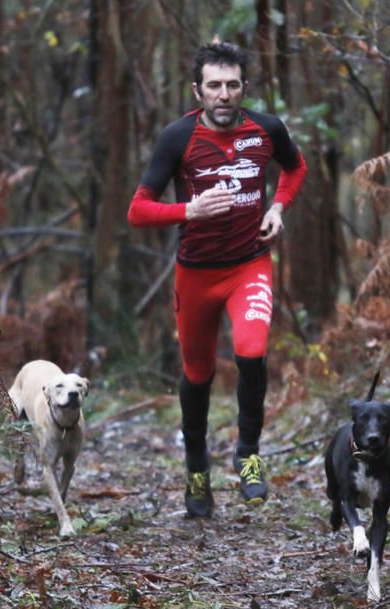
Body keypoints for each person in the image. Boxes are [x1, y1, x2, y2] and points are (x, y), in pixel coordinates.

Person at [127, 42, 307, 518]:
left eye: (232, 85)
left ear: (244, 87)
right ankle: (196, 470)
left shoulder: (267, 129)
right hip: (196, 276)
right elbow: (137, 210)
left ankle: (248, 454)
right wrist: (189, 209)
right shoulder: (176, 138)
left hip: (249, 264)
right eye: (214, 86)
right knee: (197, 373)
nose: (223, 94)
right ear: (197, 90)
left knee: (250, 350)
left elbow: (295, 168)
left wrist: (277, 207)